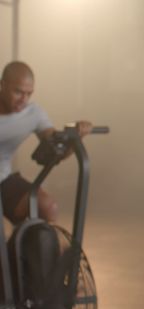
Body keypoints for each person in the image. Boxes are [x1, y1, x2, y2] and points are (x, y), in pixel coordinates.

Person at [0, 61, 93, 226]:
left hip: (3, 179)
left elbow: (56, 146)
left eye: (29, 94)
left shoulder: (33, 113)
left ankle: (28, 249)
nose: (24, 99)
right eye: (18, 92)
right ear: (2, 85)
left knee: (48, 207)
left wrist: (75, 137)